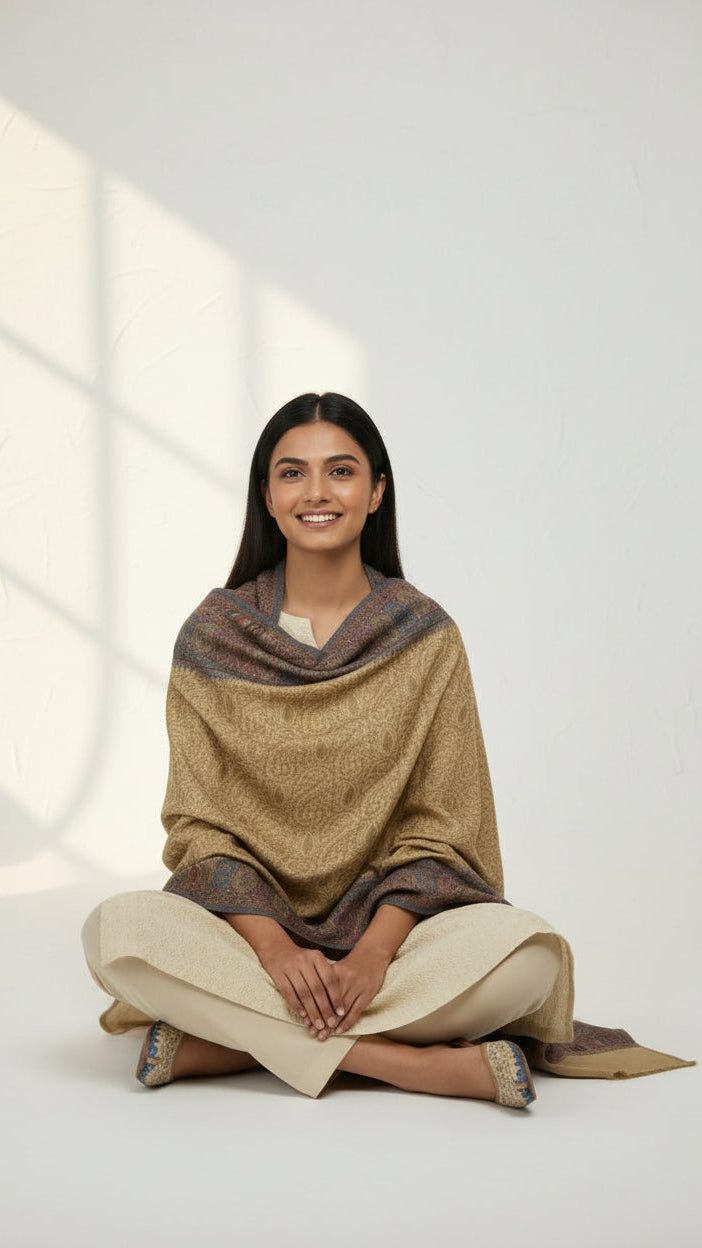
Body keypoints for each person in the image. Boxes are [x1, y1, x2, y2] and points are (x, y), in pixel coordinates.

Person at [81, 393, 692, 1108]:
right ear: (267, 497)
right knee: (114, 932)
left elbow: (444, 821)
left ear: (375, 492)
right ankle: (416, 1066)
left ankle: (231, 1043)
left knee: (530, 957)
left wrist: (371, 957)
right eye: (292, 474)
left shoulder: (423, 635)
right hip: (249, 940)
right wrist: (277, 952)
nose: (316, 493)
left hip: (395, 942)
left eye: (340, 472)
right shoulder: (214, 636)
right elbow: (199, 826)